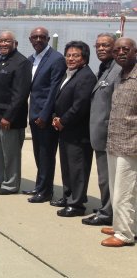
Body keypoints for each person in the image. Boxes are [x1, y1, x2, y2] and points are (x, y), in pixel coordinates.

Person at [0, 31, 32, 194]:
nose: (3, 44)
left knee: (10, 153)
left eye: (7, 41)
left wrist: (8, 116)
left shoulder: (21, 62)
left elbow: (20, 94)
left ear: (15, 43)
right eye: (1, 41)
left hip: (8, 117)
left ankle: (10, 184)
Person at [51, 41, 97, 216]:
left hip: (78, 132)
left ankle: (77, 204)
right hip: (65, 130)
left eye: (75, 55)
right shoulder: (68, 74)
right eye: (68, 55)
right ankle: (68, 196)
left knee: (78, 168)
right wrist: (56, 117)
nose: (71, 58)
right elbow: (60, 98)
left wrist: (63, 120)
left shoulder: (86, 76)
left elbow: (80, 105)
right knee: (67, 166)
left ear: (84, 58)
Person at [100, 37, 137, 247]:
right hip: (114, 141)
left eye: (125, 49)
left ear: (135, 51)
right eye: (117, 50)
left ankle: (124, 235)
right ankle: (123, 225)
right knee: (117, 190)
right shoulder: (119, 76)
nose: (120, 53)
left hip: (131, 144)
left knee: (125, 192)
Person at [83, 33, 121, 226]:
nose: (100, 49)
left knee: (108, 179)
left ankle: (108, 214)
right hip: (98, 133)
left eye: (105, 45)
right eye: (97, 45)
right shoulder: (104, 68)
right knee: (104, 177)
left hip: (110, 135)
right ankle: (107, 207)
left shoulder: (120, 69)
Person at [24, 27, 66, 203]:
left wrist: (45, 115)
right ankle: (40, 185)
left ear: (48, 39)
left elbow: (53, 90)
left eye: (42, 37)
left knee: (47, 154)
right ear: (30, 40)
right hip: (34, 114)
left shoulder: (56, 59)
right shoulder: (31, 59)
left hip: (45, 116)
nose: (38, 39)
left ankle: (46, 191)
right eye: (35, 37)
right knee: (38, 153)